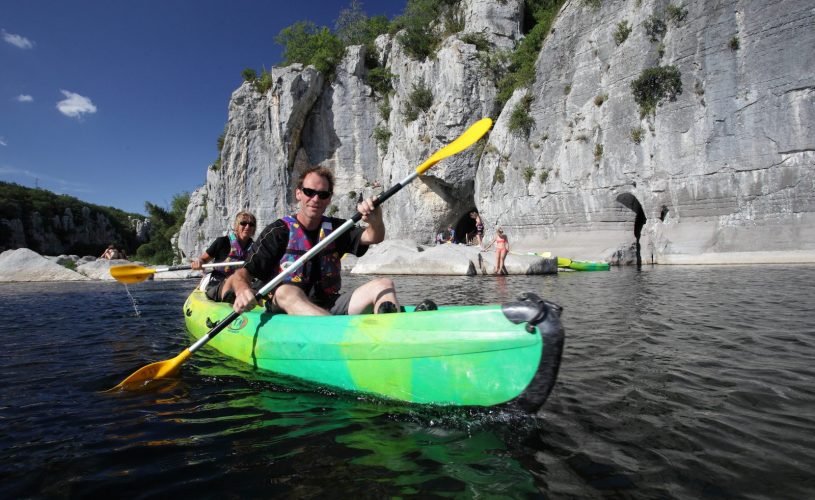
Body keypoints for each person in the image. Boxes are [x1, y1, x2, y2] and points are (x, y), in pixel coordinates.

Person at [225, 166, 432, 316]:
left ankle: (392, 332)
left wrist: (376, 221)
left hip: (329, 304)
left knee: (384, 284)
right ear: (299, 193)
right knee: (286, 291)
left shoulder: (336, 228)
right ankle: (337, 333)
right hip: (287, 307)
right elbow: (241, 274)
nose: (315, 198)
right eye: (309, 192)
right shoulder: (279, 231)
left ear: (329, 199)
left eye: (322, 194)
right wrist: (243, 289)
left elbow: (374, 236)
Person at [192, 211, 257, 301]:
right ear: (237, 226)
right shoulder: (222, 242)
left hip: (244, 283)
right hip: (219, 282)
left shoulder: (256, 248)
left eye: (251, 224)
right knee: (232, 284)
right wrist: (199, 262)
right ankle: (230, 297)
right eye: (243, 223)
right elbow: (203, 259)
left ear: (254, 229)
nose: (247, 226)